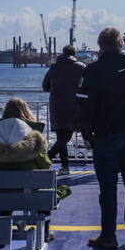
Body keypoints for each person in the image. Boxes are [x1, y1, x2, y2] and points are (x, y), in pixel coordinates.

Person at [77, 28, 125, 248]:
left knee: (107, 189)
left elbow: (84, 105)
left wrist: (86, 133)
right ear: (120, 44)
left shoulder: (92, 71)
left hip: (104, 137)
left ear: (100, 46)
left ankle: (108, 236)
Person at [0, 98, 71, 243]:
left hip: (0, 193)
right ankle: (45, 231)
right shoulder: (31, 135)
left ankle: (3, 230)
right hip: (29, 193)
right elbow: (45, 165)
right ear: (26, 111)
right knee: (44, 186)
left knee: (4, 187)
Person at [43, 45, 86, 175]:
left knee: (62, 137)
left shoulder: (54, 67)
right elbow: (87, 84)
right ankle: (54, 160)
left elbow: (45, 86)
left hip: (57, 105)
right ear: (75, 54)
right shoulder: (81, 67)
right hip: (75, 105)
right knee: (66, 137)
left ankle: (53, 160)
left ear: (63, 53)